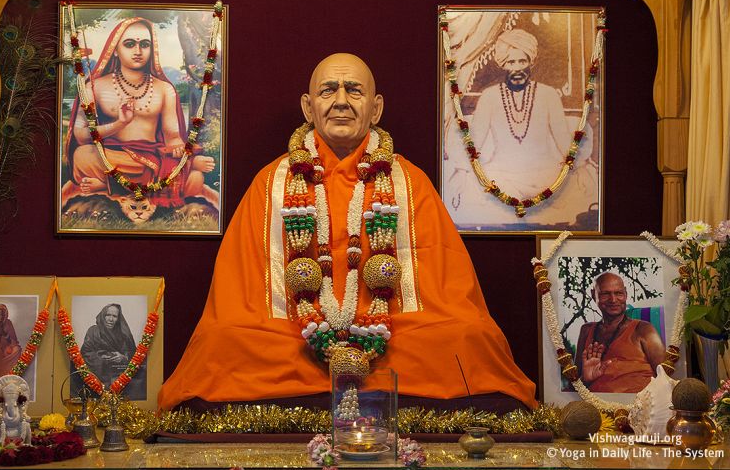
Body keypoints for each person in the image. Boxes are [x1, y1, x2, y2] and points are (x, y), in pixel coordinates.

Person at [158, 53, 537, 411]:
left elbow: (448, 286)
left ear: (376, 108)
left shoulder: (410, 181)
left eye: (354, 90)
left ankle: (331, 381)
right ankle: (348, 379)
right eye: (328, 90)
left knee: (467, 336)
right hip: (294, 332)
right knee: (223, 339)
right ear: (308, 107)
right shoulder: (270, 181)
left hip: (392, 334)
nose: (341, 101)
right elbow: (236, 291)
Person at [61, 17, 218, 210]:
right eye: (129, 44)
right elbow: (81, 136)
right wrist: (119, 124)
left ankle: (107, 186)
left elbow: (172, 137)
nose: (138, 51)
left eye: (144, 44)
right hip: (111, 156)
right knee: (82, 155)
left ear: (152, 49)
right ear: (115, 50)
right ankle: (185, 169)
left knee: (194, 179)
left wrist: (178, 148)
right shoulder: (95, 87)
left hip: (152, 156)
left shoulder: (165, 89)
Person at [458, 28, 597, 226]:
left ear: (531, 62)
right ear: (502, 65)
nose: (517, 68)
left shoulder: (548, 95)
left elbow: (564, 144)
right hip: (502, 177)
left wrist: (577, 158)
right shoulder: (490, 96)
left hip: (546, 177)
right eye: (511, 62)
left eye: (522, 61)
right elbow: (475, 146)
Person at [575, 272, 666, 393]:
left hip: (638, 402)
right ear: (593, 295)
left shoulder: (644, 329)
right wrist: (585, 379)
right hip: (593, 402)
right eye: (605, 294)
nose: (613, 300)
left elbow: (666, 377)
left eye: (618, 293)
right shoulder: (586, 330)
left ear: (626, 294)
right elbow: (574, 386)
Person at [79, 304, 145, 399]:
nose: (111, 319)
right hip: (97, 376)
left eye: (114, 316)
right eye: (108, 315)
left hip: (119, 377)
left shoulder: (123, 334)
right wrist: (102, 357)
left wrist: (123, 357)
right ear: (103, 315)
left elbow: (133, 355)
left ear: (118, 319)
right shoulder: (93, 331)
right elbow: (85, 353)